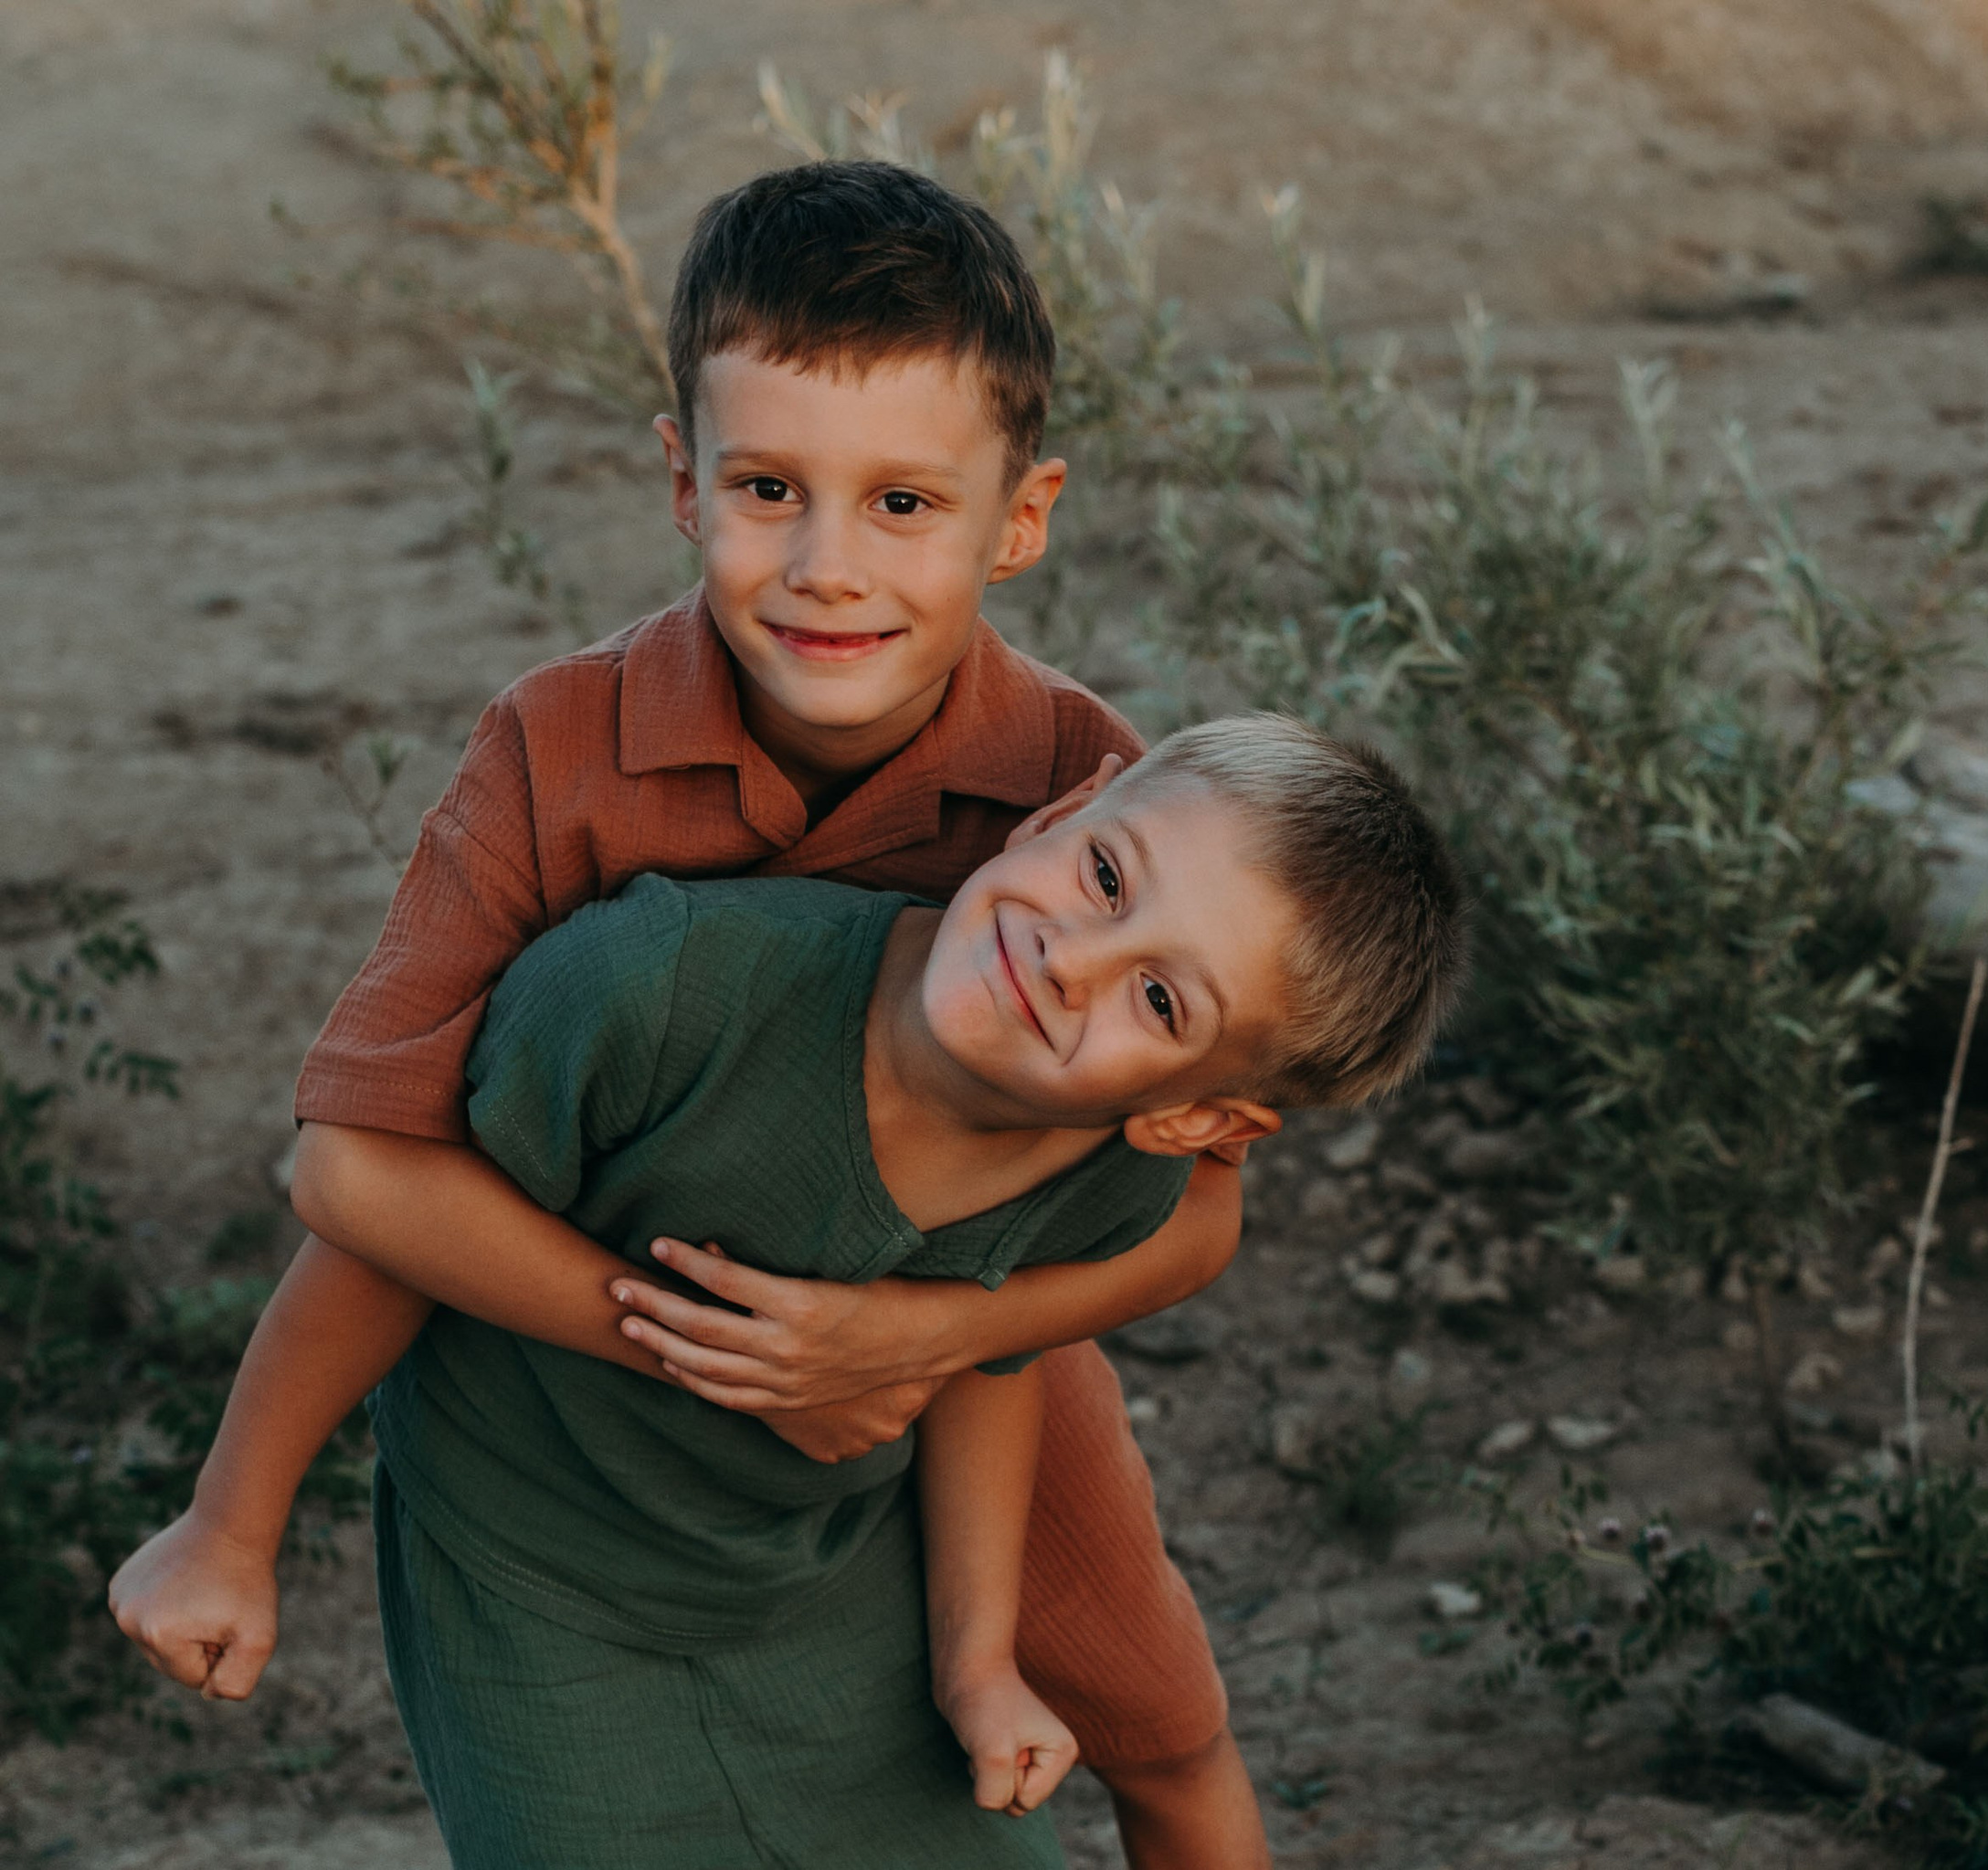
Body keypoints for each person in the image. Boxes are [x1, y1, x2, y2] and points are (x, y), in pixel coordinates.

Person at [108, 159, 1274, 1865]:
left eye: (904, 505)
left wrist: (920, 1339)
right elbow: (359, 1176)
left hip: (956, 1334)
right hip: (587, 1342)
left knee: (1153, 1714)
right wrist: (751, 1366)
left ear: (1018, 518)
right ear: (681, 480)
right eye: (768, 488)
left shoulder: (1080, 794)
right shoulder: (560, 750)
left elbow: (1197, 1211)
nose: (824, 569)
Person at [184, 718, 1468, 1869]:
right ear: (1065, 811)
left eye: (1158, 995)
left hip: (828, 1587)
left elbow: (989, 1363)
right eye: (1107, 876)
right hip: (542, 1586)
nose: (1073, 958)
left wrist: (976, 1667)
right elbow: (377, 1225)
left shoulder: (1103, 1175)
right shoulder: (659, 991)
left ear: (1195, 1116)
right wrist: (230, 1535)